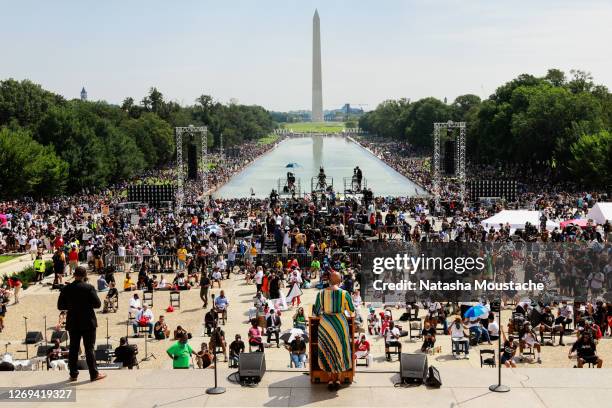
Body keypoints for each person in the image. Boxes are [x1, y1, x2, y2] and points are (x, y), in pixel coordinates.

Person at [56, 266, 105, 382]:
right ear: (85, 276)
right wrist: (85, 304)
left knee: (73, 348)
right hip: (88, 321)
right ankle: (94, 374)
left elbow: (60, 306)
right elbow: (97, 304)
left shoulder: (66, 289)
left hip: (73, 321)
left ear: (74, 275)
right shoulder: (89, 288)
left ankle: (73, 374)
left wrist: (72, 306)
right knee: (89, 348)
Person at [312, 270, 355, 391]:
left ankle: (331, 379)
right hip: (340, 324)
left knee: (327, 350)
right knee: (340, 351)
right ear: (340, 281)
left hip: (326, 325)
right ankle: (338, 379)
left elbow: (316, 312)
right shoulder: (344, 293)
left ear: (329, 280)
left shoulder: (321, 294)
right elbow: (351, 310)